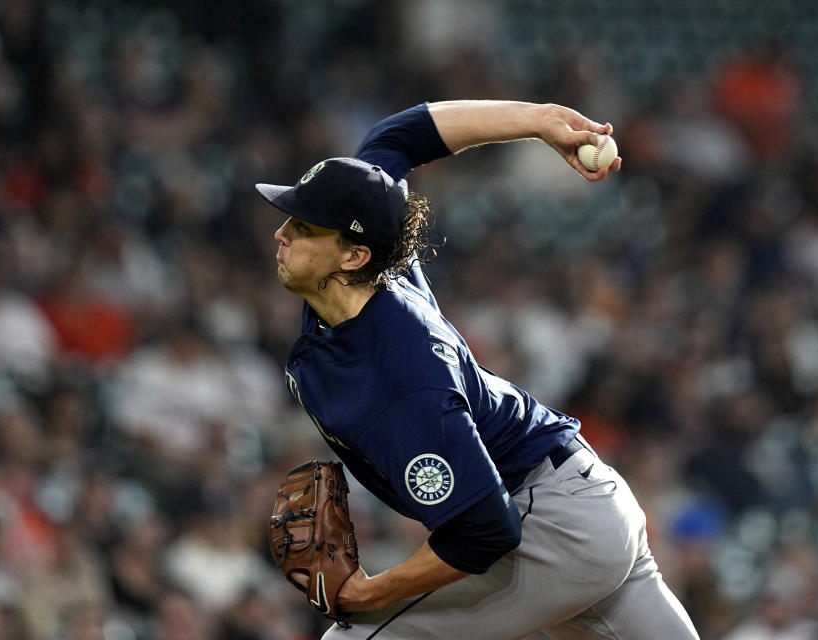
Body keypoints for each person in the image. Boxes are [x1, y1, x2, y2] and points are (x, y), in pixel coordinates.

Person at [255, 100, 699, 639]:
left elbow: (485, 532)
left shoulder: (403, 375)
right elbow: (400, 136)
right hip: (586, 504)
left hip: (549, 526)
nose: (281, 234)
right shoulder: (373, 269)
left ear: (352, 257)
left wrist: (369, 592)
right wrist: (538, 121)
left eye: (303, 226)